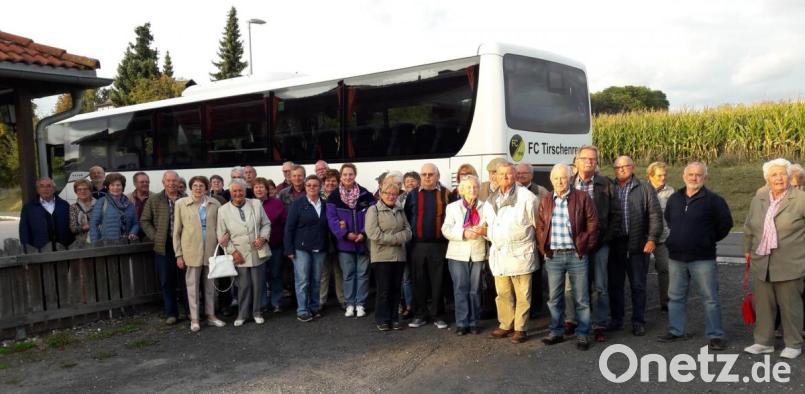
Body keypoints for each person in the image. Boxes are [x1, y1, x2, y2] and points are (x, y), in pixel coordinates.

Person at [657, 162, 732, 351]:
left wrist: (706, 239)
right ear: (684, 176)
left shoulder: (714, 201)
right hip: (676, 257)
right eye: (690, 174)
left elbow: (725, 225)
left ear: (705, 178)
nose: (694, 178)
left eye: (698, 175)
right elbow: (669, 219)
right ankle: (676, 330)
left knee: (710, 298)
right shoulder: (674, 199)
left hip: (702, 258)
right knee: (675, 296)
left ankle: (715, 335)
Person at [743, 158, 805, 359]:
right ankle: (763, 342)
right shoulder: (759, 198)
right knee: (763, 305)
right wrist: (747, 249)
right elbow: (749, 227)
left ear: (789, 176)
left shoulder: (800, 199)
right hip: (763, 261)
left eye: (782, 173)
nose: (779, 178)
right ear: (767, 178)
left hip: (791, 262)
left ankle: (793, 344)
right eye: (774, 174)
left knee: (790, 306)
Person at [537, 163, 598, 350]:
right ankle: (556, 331)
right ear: (551, 180)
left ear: (570, 178)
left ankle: (582, 334)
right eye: (556, 178)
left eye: (563, 177)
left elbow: (593, 224)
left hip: (576, 255)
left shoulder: (582, 197)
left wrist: (585, 247)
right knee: (554, 298)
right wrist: (544, 248)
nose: (560, 181)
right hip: (554, 256)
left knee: (581, 298)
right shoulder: (547, 199)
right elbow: (540, 226)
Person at [482, 162, 538, 343]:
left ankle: (521, 328)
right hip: (500, 254)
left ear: (514, 176)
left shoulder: (527, 198)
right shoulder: (491, 200)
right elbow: (489, 225)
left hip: (520, 252)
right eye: (501, 174)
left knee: (523, 294)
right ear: (495, 177)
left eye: (508, 174)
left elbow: (538, 225)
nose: (505, 177)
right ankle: (505, 323)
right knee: (503, 292)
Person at [608, 155, 662, 336]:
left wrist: (652, 238)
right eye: (617, 167)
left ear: (632, 167)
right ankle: (617, 319)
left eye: (625, 166)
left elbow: (655, 215)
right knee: (615, 285)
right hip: (616, 244)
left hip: (638, 243)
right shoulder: (610, 187)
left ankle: (638, 321)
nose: (621, 170)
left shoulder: (645, 188)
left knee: (638, 285)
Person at [173, 176, 225, 332]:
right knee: (192, 287)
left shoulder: (214, 203)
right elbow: (176, 231)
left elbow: (221, 226)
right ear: (190, 187)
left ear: (206, 187)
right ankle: (194, 319)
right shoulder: (181, 204)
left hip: (211, 250)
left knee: (210, 287)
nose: (198, 188)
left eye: (201, 185)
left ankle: (211, 315)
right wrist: (179, 254)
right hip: (191, 251)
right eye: (194, 185)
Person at [405, 163, 454, 329]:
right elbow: (406, 216)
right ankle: (420, 315)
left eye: (430, 174)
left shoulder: (446, 194)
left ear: (437, 176)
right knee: (419, 281)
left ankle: (438, 315)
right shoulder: (412, 195)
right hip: (417, 246)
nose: (427, 177)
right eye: (424, 174)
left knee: (438, 281)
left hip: (439, 245)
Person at [217, 178, 271, 326]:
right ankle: (242, 314)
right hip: (238, 254)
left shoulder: (256, 204)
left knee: (258, 284)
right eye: (234, 191)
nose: (238, 193)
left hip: (257, 250)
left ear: (245, 191)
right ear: (230, 192)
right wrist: (232, 252)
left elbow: (266, 224)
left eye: (240, 190)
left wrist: (263, 238)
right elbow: (221, 235)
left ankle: (257, 312)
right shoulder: (223, 210)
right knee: (243, 285)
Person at [326, 163, 375, 318]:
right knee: (348, 275)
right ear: (341, 176)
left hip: (362, 242)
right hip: (344, 244)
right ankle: (349, 304)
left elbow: (372, 217)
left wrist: (363, 233)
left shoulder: (365, 194)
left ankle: (360, 304)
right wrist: (345, 234)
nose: (348, 177)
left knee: (362, 274)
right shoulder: (334, 196)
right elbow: (332, 220)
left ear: (355, 175)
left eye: (351, 174)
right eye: (345, 174)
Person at [141, 170, 189, 325]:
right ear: (163, 183)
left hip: (185, 246)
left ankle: (190, 312)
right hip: (164, 246)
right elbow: (144, 220)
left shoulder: (187, 199)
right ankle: (171, 313)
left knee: (187, 281)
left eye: (174, 181)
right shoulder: (154, 200)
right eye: (168, 181)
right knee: (167, 281)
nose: (172, 183)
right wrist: (156, 237)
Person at [442, 175, 487, 335]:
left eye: (475, 187)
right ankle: (462, 323)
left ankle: (474, 322)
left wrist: (484, 232)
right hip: (457, 253)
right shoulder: (453, 207)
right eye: (469, 187)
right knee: (460, 288)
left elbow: (490, 229)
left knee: (475, 289)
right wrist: (464, 233)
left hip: (477, 253)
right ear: (461, 190)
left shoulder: (485, 206)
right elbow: (446, 230)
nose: (472, 190)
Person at [366, 179, 413, 331]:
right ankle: (382, 319)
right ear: (381, 194)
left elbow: (408, 231)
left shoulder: (400, 209)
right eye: (388, 193)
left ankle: (394, 318)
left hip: (399, 256)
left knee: (395, 289)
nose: (391, 196)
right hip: (381, 257)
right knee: (383, 290)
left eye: (394, 194)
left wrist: (394, 238)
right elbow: (373, 233)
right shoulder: (373, 210)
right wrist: (395, 239)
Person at [285, 175, 330, 322]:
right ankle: (302, 310)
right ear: (305, 187)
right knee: (303, 280)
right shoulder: (297, 204)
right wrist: (289, 250)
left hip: (320, 248)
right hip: (301, 249)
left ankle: (314, 307)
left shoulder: (325, 204)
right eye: (309, 185)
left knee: (316, 280)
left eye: (315, 185)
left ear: (320, 187)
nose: (312, 187)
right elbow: (289, 228)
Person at [254, 177, 287, 313]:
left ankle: (276, 302)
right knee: (260, 276)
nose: (259, 190)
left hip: (275, 245)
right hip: (257, 247)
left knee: (276, 274)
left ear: (267, 190)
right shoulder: (250, 204)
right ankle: (262, 303)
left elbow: (285, 222)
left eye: (262, 187)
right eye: (256, 187)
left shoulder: (277, 203)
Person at [19, 177, 74, 253]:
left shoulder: (64, 205)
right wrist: (27, 251)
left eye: (48, 186)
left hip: (63, 250)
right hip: (39, 251)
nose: (45, 189)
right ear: (38, 190)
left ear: (54, 189)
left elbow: (71, 228)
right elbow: (24, 232)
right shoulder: (28, 208)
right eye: (42, 186)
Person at [647, 162, 673, 312]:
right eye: (659, 175)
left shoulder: (671, 192)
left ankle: (666, 302)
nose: (663, 178)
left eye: (665, 175)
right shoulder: (643, 189)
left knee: (665, 269)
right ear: (650, 176)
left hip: (663, 238)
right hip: (645, 238)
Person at [320, 169, 346, 309]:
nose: (330, 183)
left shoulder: (342, 197)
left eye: (333, 181)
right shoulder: (318, 197)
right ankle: (320, 301)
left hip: (338, 239)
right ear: (323, 182)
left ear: (338, 182)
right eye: (327, 180)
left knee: (339, 271)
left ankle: (342, 299)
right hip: (323, 239)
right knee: (323, 272)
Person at [89, 173, 139, 243]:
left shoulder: (129, 204)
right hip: (107, 245)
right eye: (112, 185)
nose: (115, 188)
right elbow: (94, 225)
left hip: (126, 245)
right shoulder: (101, 202)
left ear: (122, 187)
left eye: (118, 185)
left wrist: (133, 233)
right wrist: (96, 244)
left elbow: (135, 224)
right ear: (108, 187)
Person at [68, 179, 96, 246]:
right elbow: (73, 229)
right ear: (76, 192)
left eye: (85, 189)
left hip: (98, 241)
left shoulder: (99, 204)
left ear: (90, 190)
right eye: (79, 189)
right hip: (82, 244)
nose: (82, 191)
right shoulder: (73, 207)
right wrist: (85, 227)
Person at [128, 172, 153, 240]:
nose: (145, 184)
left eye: (147, 182)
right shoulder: (127, 198)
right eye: (142, 182)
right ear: (135, 184)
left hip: (150, 234)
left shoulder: (155, 197)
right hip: (132, 234)